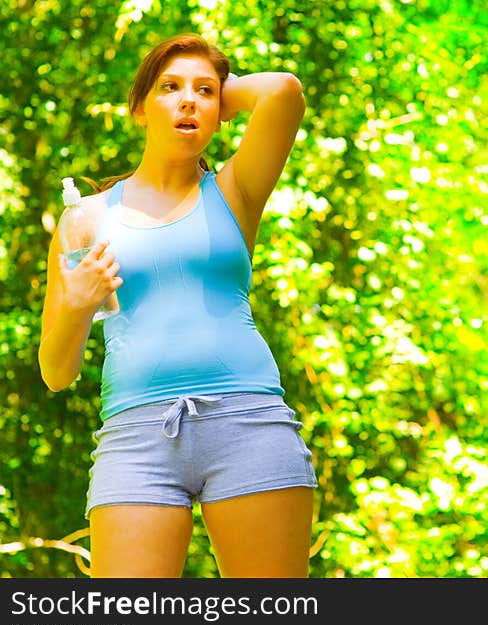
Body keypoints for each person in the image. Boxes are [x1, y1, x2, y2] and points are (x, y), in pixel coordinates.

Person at [38, 33, 317, 578]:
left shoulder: (236, 190)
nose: (188, 99)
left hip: (249, 424)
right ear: (140, 107)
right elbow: (55, 372)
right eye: (169, 88)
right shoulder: (85, 220)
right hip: (136, 439)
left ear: (222, 112)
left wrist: (211, 96)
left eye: (204, 92)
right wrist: (76, 305)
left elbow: (284, 91)